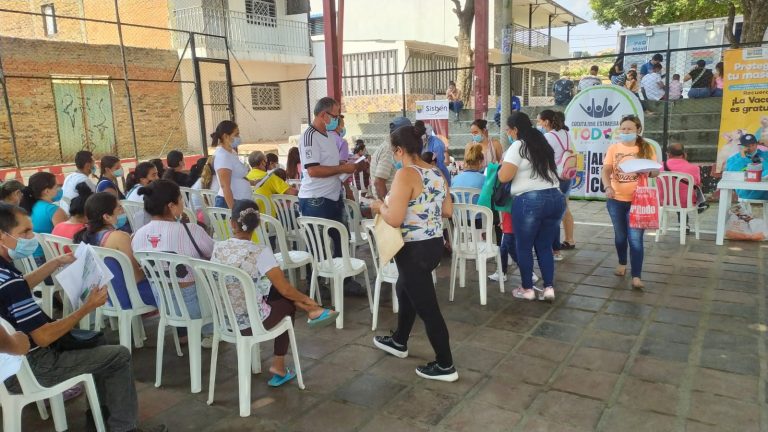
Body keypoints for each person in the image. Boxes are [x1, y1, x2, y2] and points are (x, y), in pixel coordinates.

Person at [0, 203, 167, 432]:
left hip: (11, 364)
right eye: (25, 232)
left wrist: (54, 263)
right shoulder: (9, 282)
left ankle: (100, 416)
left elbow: (19, 287)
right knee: (119, 356)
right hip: (35, 365)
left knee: (95, 340)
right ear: (2, 236)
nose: (31, 237)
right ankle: (124, 428)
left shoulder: (5, 274)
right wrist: (86, 308)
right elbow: (43, 337)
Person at [211, 200, 339, 386]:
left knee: (273, 288)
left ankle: (313, 311)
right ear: (258, 224)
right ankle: (279, 364)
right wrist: (308, 299)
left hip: (223, 319)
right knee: (287, 303)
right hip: (248, 323)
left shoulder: (218, 247)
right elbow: (285, 288)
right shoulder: (259, 252)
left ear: (232, 223)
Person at [370, 125, 457, 382]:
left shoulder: (405, 174)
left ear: (399, 150)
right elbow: (447, 211)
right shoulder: (436, 172)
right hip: (433, 245)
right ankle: (399, 340)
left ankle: (445, 365)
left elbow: (395, 218)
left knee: (428, 309)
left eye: (393, 151)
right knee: (404, 288)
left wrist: (379, 206)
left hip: (413, 249)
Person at [132, 180, 215, 345]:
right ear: (171, 205)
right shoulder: (190, 230)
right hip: (196, 305)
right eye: (180, 198)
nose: (183, 202)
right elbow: (215, 254)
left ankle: (187, 333)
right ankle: (210, 332)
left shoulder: (137, 236)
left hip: (164, 303)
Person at [299, 97, 367, 294]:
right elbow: (313, 170)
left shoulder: (329, 135)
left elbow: (330, 165)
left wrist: (347, 165)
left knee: (341, 238)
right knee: (317, 244)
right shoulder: (309, 136)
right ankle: (316, 284)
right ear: (323, 115)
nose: (338, 120)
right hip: (315, 199)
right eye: (336, 116)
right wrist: (342, 168)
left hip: (333, 196)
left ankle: (344, 280)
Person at [498, 112, 565, 302]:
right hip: (555, 198)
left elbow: (504, 176)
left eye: (508, 130)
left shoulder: (518, 146)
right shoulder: (542, 143)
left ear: (515, 129)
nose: (508, 133)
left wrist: (501, 167)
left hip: (530, 200)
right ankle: (549, 288)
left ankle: (527, 289)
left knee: (524, 247)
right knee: (544, 246)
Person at [601, 115, 658, 290]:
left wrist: (649, 171)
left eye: (629, 129)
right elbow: (606, 170)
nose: (625, 131)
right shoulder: (613, 148)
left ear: (638, 130)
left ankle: (636, 276)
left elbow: (656, 172)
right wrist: (607, 186)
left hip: (638, 201)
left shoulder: (646, 148)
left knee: (635, 239)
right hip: (616, 200)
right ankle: (622, 262)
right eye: (623, 128)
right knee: (620, 236)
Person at [74, 193, 157, 309]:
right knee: (173, 286)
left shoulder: (85, 237)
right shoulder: (119, 237)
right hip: (130, 297)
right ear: (106, 217)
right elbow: (137, 277)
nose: (123, 211)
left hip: (106, 297)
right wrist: (150, 267)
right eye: (119, 208)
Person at [538, 110, 576, 256]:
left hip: (555, 177)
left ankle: (554, 249)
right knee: (564, 208)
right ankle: (570, 239)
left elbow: (542, 158)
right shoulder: (566, 133)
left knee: (552, 213)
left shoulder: (548, 137)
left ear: (546, 122)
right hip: (567, 175)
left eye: (540, 121)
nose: (539, 124)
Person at [20, 172, 67, 264]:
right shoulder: (53, 210)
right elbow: (65, 239)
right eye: (56, 186)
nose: (59, 189)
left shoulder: (28, 207)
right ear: (47, 191)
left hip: (30, 259)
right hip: (48, 259)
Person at [489, 211, 540, 283]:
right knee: (503, 249)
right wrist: (503, 220)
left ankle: (529, 273)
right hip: (509, 221)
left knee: (513, 251)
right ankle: (501, 273)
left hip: (511, 223)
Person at [211, 120, 251, 209]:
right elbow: (225, 186)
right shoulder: (223, 156)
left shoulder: (231, 152)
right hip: (229, 203)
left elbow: (235, 174)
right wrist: (233, 211)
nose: (239, 137)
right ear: (225, 136)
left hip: (240, 200)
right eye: (236, 134)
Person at [370, 117, 412, 200]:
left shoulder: (393, 147)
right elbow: (379, 183)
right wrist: (386, 205)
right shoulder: (388, 150)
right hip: (390, 202)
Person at [726, 134, 768, 200]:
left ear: (756, 144)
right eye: (747, 146)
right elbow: (732, 173)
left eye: (753, 145)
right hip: (747, 191)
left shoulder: (765, 154)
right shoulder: (734, 158)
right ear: (741, 146)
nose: (751, 148)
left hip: (765, 190)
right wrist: (743, 157)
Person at [660, 142, 703, 208]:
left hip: (663, 202)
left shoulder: (659, 166)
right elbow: (698, 184)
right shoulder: (695, 168)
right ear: (684, 154)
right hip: (686, 203)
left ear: (668, 154)